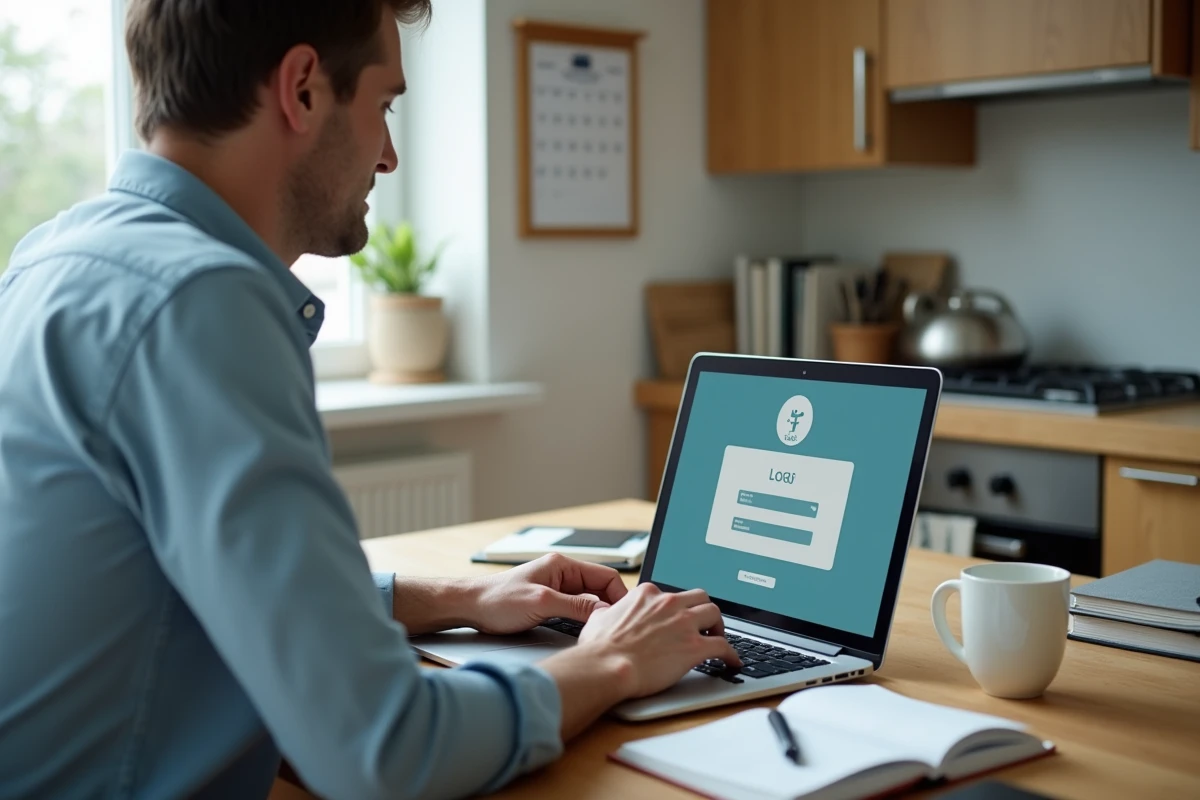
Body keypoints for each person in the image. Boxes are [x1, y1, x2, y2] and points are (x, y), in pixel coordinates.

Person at [0, 1, 741, 798]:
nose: (389, 157)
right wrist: (612, 659)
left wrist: (461, 598)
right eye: (384, 106)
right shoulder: (200, 303)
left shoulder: (56, 255)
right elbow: (388, 754)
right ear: (304, 88)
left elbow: (185, 591)